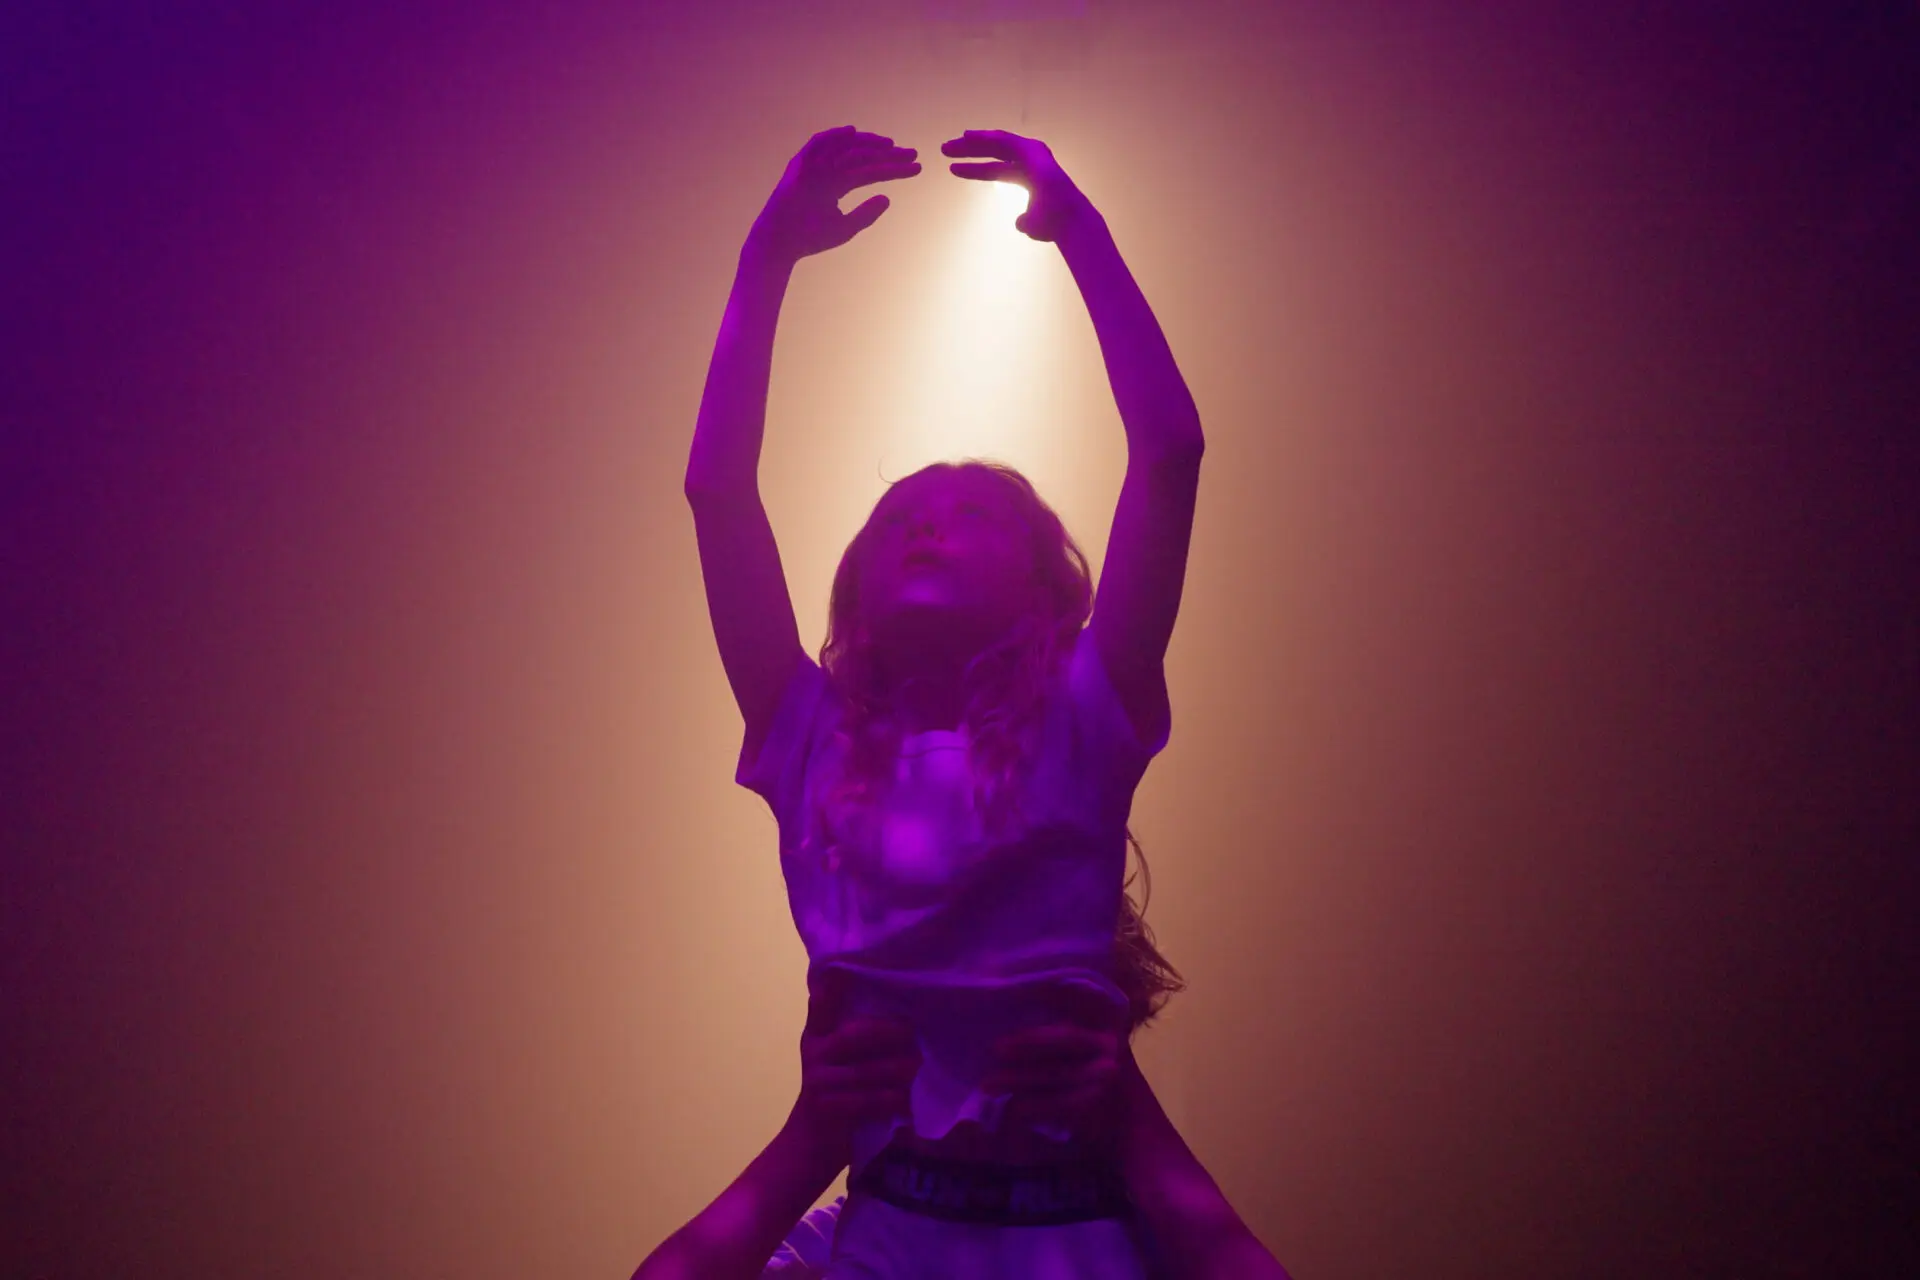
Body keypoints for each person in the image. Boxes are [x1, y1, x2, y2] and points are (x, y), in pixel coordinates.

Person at [684, 123, 1205, 1276]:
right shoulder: (806, 730)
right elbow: (717, 488)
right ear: (859, 589)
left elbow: (1169, 450)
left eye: (972, 518)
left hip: (1068, 1223)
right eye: (905, 518)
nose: (930, 523)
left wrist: (1080, 231)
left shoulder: (1087, 708)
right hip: (886, 1217)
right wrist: (765, 257)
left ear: (1043, 588)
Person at [631, 968, 1292, 1280]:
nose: (974, 1105)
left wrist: (1132, 1121)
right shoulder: (833, 1250)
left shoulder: (1150, 1249)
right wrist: (812, 1139)